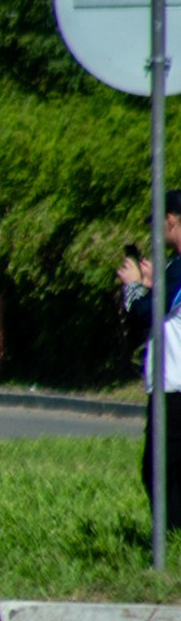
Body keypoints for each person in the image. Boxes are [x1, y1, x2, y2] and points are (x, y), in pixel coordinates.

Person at [119, 189, 181, 533]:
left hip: (173, 389)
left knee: (158, 470)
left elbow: (145, 313)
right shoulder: (173, 270)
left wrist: (133, 287)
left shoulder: (179, 268)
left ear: (170, 220)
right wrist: (152, 284)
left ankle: (169, 540)